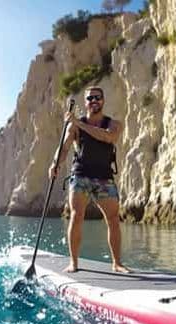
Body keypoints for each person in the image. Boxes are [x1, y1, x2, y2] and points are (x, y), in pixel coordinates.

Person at [49, 86, 130, 273]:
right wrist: (55, 164)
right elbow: (64, 147)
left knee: (113, 219)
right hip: (81, 175)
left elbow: (108, 137)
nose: (94, 101)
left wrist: (78, 123)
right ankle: (74, 263)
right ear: (85, 102)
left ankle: (117, 264)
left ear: (103, 100)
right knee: (77, 215)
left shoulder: (114, 124)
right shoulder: (74, 126)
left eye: (97, 97)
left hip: (104, 177)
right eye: (90, 98)